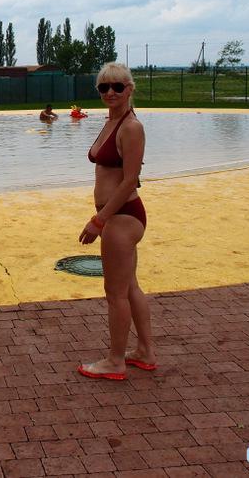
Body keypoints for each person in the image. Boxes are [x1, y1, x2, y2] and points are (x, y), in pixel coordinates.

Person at [77, 62, 155, 380]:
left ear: (130, 89)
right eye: (104, 87)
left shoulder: (131, 127)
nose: (110, 92)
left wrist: (99, 220)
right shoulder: (111, 121)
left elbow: (129, 180)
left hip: (122, 216)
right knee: (129, 286)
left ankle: (115, 361)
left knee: (115, 293)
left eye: (117, 86)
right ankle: (145, 352)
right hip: (117, 216)